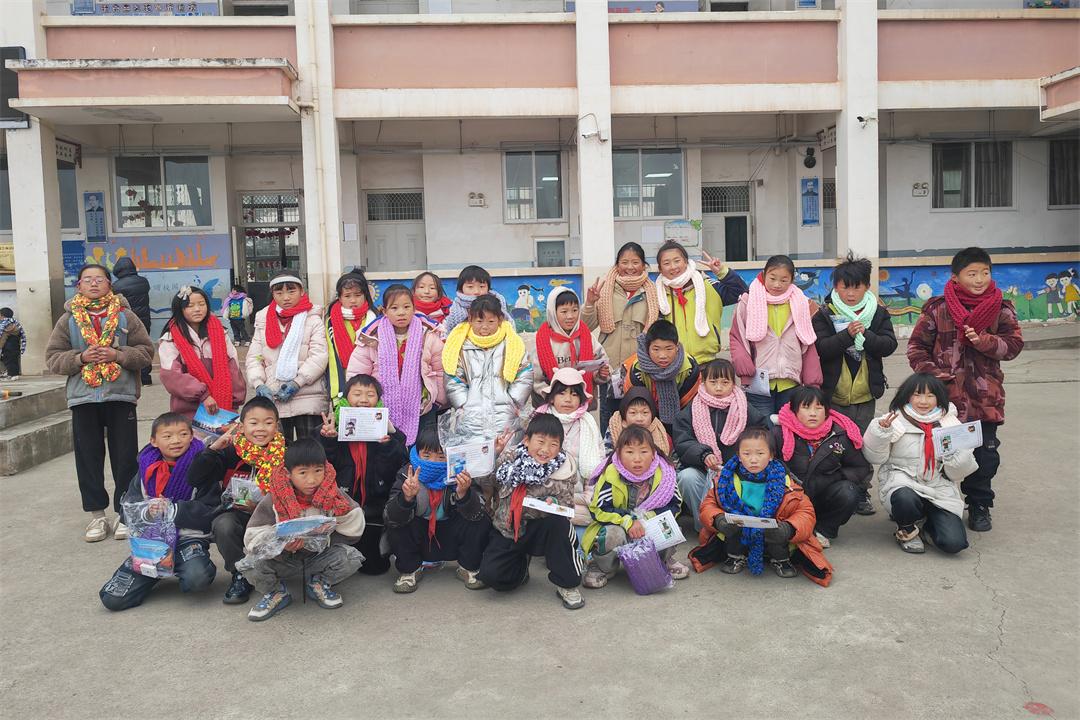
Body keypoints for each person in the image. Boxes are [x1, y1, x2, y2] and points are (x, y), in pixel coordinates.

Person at [907, 247, 1024, 532]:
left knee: (984, 456)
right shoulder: (938, 309)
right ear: (955, 277)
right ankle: (934, 504)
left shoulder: (1001, 308)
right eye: (972, 274)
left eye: (985, 272)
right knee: (940, 454)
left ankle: (979, 505)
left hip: (986, 399)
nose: (980, 279)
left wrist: (984, 341)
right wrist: (937, 378)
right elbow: (916, 349)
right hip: (945, 401)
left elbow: (1013, 346)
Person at [45, 264, 155, 542]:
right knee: (88, 458)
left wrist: (118, 355)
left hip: (121, 396)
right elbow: (53, 358)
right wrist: (80, 358)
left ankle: (125, 513)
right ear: (79, 286)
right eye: (87, 280)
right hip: (83, 398)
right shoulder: (68, 319)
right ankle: (96, 516)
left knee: (125, 457)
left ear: (109, 284)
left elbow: (146, 352)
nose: (93, 284)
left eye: (99, 279)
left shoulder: (125, 315)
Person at [99, 413, 218, 611]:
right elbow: (127, 509)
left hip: (187, 539)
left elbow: (211, 510)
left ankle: (187, 564)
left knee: (197, 579)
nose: (176, 440)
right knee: (112, 599)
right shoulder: (146, 467)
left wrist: (173, 510)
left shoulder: (203, 464)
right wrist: (147, 511)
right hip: (151, 543)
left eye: (183, 434)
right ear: (154, 441)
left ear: (192, 436)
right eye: (168, 436)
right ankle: (155, 570)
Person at [239, 439, 365, 621]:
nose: (312, 480)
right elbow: (253, 535)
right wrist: (280, 544)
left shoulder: (333, 494)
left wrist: (328, 531)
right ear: (288, 473)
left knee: (351, 557)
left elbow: (355, 521)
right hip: (282, 559)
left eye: (318, 471)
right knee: (249, 564)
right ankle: (276, 592)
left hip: (318, 556)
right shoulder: (274, 497)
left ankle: (318, 582)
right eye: (303, 473)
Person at [688, 427, 832, 585]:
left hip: (773, 533)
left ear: (771, 455)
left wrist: (789, 528)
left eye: (760, 453)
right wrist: (718, 519)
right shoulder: (726, 480)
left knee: (777, 532)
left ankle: (781, 559)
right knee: (733, 526)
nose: (753, 459)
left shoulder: (785, 481)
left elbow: (806, 512)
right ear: (738, 456)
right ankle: (735, 556)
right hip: (739, 530)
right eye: (747, 454)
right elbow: (708, 505)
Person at [813, 253, 897, 515]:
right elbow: (821, 349)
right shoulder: (825, 314)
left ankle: (861, 491)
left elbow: (889, 345)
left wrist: (865, 334)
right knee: (835, 445)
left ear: (867, 287)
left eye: (857, 287)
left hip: (865, 394)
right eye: (844, 287)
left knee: (862, 444)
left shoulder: (878, 313)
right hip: (834, 395)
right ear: (835, 287)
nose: (850, 293)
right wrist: (847, 336)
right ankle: (836, 490)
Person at [477, 414, 585, 610]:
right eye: (540, 441)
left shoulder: (564, 468)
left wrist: (553, 503)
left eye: (553, 444)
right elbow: (485, 483)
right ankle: (521, 569)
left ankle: (567, 584)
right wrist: (493, 455)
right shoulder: (510, 458)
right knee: (492, 576)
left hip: (542, 529)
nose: (545, 450)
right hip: (509, 528)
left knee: (559, 524)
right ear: (527, 440)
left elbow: (567, 505)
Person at [862, 374, 977, 554]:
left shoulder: (950, 423)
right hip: (903, 482)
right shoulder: (894, 420)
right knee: (905, 498)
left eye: (930, 395)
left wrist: (961, 454)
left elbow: (956, 474)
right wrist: (881, 433)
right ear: (907, 396)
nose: (923, 401)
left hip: (938, 488)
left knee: (954, 543)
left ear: (939, 398)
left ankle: (926, 526)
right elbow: (875, 457)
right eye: (917, 394)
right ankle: (907, 529)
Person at [189, 396, 286, 604]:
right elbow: (194, 478)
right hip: (238, 514)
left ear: (277, 426)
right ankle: (240, 573)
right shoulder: (230, 450)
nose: (261, 429)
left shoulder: (285, 453)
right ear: (241, 427)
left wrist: (262, 507)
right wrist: (212, 450)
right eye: (254, 423)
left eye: (268, 423)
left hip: (276, 515)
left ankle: (277, 569)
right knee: (223, 525)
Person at [384, 425, 492, 593]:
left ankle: (468, 567)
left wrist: (464, 494)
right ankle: (410, 570)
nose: (433, 462)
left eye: (441, 457)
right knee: (397, 521)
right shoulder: (407, 474)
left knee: (481, 518)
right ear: (417, 453)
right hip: (420, 537)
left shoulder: (461, 473)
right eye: (426, 455)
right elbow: (390, 516)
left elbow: (478, 513)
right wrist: (406, 498)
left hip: (450, 535)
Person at [317, 374, 407, 576]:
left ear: (379, 399)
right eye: (357, 394)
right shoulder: (330, 427)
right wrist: (329, 440)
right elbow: (319, 468)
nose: (364, 400)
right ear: (346, 397)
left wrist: (388, 445)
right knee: (338, 562)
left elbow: (397, 467)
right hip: (341, 506)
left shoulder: (388, 431)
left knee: (375, 568)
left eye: (370, 395)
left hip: (374, 506)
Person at [443, 293, 533, 490]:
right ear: (470, 319)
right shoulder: (460, 345)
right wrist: (463, 404)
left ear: (500, 319)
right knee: (474, 473)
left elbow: (525, 373)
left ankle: (503, 506)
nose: (485, 327)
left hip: (505, 417)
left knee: (507, 468)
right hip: (471, 420)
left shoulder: (512, 343)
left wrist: (513, 401)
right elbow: (453, 378)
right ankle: (478, 504)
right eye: (479, 321)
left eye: (491, 321)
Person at [581, 425, 688, 589]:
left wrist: (646, 519)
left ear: (653, 453)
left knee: (668, 526)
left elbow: (675, 504)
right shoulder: (610, 475)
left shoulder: (665, 474)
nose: (637, 459)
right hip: (619, 525)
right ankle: (602, 567)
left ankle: (662, 560)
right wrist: (628, 521)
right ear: (619, 454)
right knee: (612, 534)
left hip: (649, 523)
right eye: (630, 452)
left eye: (644, 451)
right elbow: (599, 509)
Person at [674, 358, 768, 532]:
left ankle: (733, 529)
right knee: (686, 477)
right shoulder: (692, 408)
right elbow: (683, 440)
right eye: (713, 382)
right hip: (704, 470)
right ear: (703, 382)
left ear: (733, 384)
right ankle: (705, 527)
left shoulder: (743, 407)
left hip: (737, 471)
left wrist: (743, 458)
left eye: (725, 382)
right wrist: (703, 454)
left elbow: (762, 433)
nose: (718, 388)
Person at [773, 386, 872, 547]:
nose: (813, 413)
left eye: (818, 408)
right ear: (794, 410)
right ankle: (787, 528)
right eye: (806, 407)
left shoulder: (839, 435)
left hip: (823, 494)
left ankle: (824, 530)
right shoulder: (779, 433)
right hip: (791, 496)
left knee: (848, 492)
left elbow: (860, 468)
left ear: (826, 411)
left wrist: (834, 477)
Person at [347, 284, 445, 442]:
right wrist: (361, 400)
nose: (401, 313)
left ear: (414, 308)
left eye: (406, 307)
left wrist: (438, 401)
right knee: (386, 450)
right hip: (380, 407)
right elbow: (357, 374)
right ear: (384, 311)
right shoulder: (372, 337)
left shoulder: (428, 335)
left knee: (420, 448)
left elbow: (440, 371)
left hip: (422, 407)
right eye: (394, 308)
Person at [730, 254, 823, 416]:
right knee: (762, 427)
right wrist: (744, 367)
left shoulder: (802, 303)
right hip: (758, 381)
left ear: (792, 280)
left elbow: (808, 343)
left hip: (791, 383)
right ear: (764, 275)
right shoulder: (748, 301)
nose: (777, 284)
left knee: (789, 427)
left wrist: (812, 380)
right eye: (772, 278)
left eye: (784, 280)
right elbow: (737, 337)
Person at [581, 241, 660, 431]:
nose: (630, 267)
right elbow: (586, 326)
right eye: (624, 262)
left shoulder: (652, 292)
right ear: (617, 265)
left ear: (644, 265)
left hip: (640, 368)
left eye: (635, 262)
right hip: (610, 367)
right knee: (609, 418)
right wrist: (590, 303)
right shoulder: (605, 290)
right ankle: (609, 450)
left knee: (638, 416)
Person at [247, 274, 329, 442]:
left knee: (310, 451)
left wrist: (297, 383)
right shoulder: (263, 320)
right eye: (279, 293)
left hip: (308, 398)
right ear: (272, 294)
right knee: (278, 453)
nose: (285, 297)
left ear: (302, 291)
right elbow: (254, 357)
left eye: (291, 291)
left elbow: (319, 355)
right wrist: (258, 383)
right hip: (274, 398)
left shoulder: (313, 318)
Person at [653, 242, 747, 364]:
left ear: (686, 262)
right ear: (660, 268)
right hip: (672, 364)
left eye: (677, 261)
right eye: (666, 263)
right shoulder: (657, 295)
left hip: (707, 363)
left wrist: (722, 272)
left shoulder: (708, 286)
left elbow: (741, 292)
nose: (673, 267)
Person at [158, 286, 246, 418]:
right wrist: (203, 395)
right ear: (180, 309)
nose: (197, 309)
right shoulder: (170, 339)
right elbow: (172, 377)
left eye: (201, 304)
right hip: (188, 412)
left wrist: (234, 400)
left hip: (224, 408)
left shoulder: (221, 334)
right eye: (190, 306)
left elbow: (233, 368)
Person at [531, 286, 610, 407]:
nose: (570, 316)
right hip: (549, 406)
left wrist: (601, 374)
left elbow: (600, 365)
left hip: (582, 404)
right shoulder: (542, 341)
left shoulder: (586, 336)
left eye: (574, 310)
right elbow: (536, 380)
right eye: (564, 312)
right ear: (553, 312)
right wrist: (554, 398)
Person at [622, 319, 700, 434]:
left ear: (677, 347)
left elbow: (690, 402)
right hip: (646, 418)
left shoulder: (689, 367)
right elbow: (635, 403)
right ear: (648, 348)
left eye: (669, 349)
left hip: (681, 416)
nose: (662, 355)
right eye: (656, 349)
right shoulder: (637, 369)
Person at [325, 271, 379, 411]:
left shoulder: (376, 320)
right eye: (347, 296)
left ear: (366, 295)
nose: (353, 300)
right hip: (341, 379)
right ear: (340, 298)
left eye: (358, 295)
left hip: (371, 383)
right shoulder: (330, 322)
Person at [110, 257, 153, 386]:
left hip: (126, 320)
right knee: (143, 346)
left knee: (128, 347)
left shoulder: (116, 286)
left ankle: (132, 377)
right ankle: (146, 378)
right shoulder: (143, 282)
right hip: (145, 319)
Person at [604, 387, 672, 456]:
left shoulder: (660, 431)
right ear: (624, 415)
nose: (639, 418)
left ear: (652, 414)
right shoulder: (615, 428)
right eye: (633, 413)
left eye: (645, 412)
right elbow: (606, 456)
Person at [443, 265, 510, 334]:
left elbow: (507, 324)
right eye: (470, 287)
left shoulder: (497, 301)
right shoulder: (456, 308)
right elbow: (450, 331)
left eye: (482, 286)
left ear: (488, 287)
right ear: (461, 288)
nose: (476, 291)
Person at [0, 307, 26, 379]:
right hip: (15, 346)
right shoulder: (14, 323)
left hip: (8, 348)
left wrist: (0, 347)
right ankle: (13, 374)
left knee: (9, 361)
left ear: (2, 316)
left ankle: (12, 375)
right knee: (13, 361)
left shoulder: (4, 325)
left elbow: (2, 338)